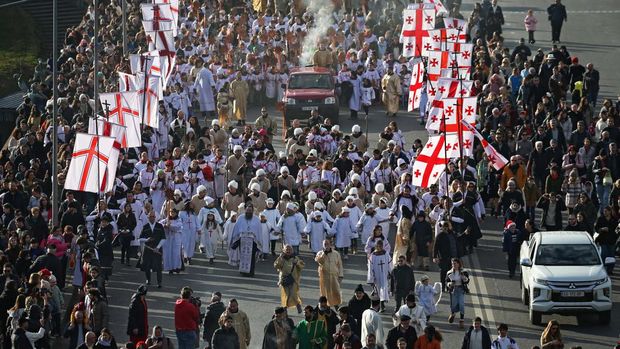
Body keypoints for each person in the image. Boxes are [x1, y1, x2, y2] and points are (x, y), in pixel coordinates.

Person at [230, 203, 262, 277]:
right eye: (247, 210)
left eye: (250, 210)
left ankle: (251, 272)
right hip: (242, 240)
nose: (249, 211)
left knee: (252, 257)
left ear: (252, 211)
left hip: (253, 241)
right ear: (245, 210)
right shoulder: (240, 218)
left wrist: (258, 243)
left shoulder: (257, 219)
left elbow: (259, 231)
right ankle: (243, 271)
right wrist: (235, 241)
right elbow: (236, 229)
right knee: (243, 256)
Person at [274, 244, 305, 314]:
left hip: (294, 279)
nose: (288, 251)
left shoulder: (295, 258)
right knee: (286, 294)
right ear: (283, 250)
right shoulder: (281, 258)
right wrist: (280, 258)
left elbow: (302, 266)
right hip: (284, 279)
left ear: (292, 250)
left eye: (289, 249)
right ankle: (284, 309)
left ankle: (298, 304)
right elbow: (276, 266)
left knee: (294, 294)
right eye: (286, 249)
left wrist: (297, 263)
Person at [139, 210, 166, 288]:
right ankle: (148, 279)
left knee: (158, 266)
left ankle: (159, 282)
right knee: (147, 265)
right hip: (147, 249)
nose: (152, 218)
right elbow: (140, 239)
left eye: (153, 216)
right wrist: (146, 240)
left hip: (157, 249)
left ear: (155, 217)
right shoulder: (145, 227)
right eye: (150, 216)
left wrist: (158, 247)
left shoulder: (160, 226)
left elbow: (163, 238)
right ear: (148, 217)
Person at [315, 239, 344, 307]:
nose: (326, 245)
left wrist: (341, 275)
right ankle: (326, 306)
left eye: (327, 244)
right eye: (325, 244)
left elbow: (339, 265)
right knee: (326, 292)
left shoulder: (336, 253)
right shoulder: (319, 253)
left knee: (336, 291)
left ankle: (336, 305)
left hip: (334, 275)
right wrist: (324, 254)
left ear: (330, 244)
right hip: (325, 276)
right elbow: (320, 261)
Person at [367, 239, 392, 311]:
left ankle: (382, 305)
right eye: (377, 246)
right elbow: (370, 268)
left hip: (384, 275)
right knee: (377, 291)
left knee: (383, 290)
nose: (378, 248)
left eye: (380, 246)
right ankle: (378, 305)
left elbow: (389, 263)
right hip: (376, 276)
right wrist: (371, 278)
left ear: (382, 246)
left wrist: (391, 272)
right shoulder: (373, 256)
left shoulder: (386, 254)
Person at [446, 258, 470, 329]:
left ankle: (461, 320)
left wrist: (463, 277)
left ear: (459, 264)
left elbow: (467, 281)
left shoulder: (463, 272)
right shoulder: (449, 272)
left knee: (461, 304)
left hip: (461, 289)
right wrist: (450, 284)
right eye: (452, 264)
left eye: (455, 263)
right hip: (454, 290)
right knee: (454, 304)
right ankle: (453, 313)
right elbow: (446, 282)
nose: (454, 265)